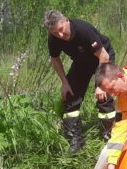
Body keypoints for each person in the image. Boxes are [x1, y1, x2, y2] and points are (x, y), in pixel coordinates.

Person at [43, 10, 116, 152]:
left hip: (102, 58)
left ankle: (110, 134)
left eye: (60, 30)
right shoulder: (53, 38)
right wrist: (64, 83)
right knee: (69, 95)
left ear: (66, 21)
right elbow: (55, 59)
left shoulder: (83, 29)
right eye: (54, 33)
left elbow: (104, 56)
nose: (60, 35)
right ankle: (75, 138)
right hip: (81, 61)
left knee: (103, 95)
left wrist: (100, 85)